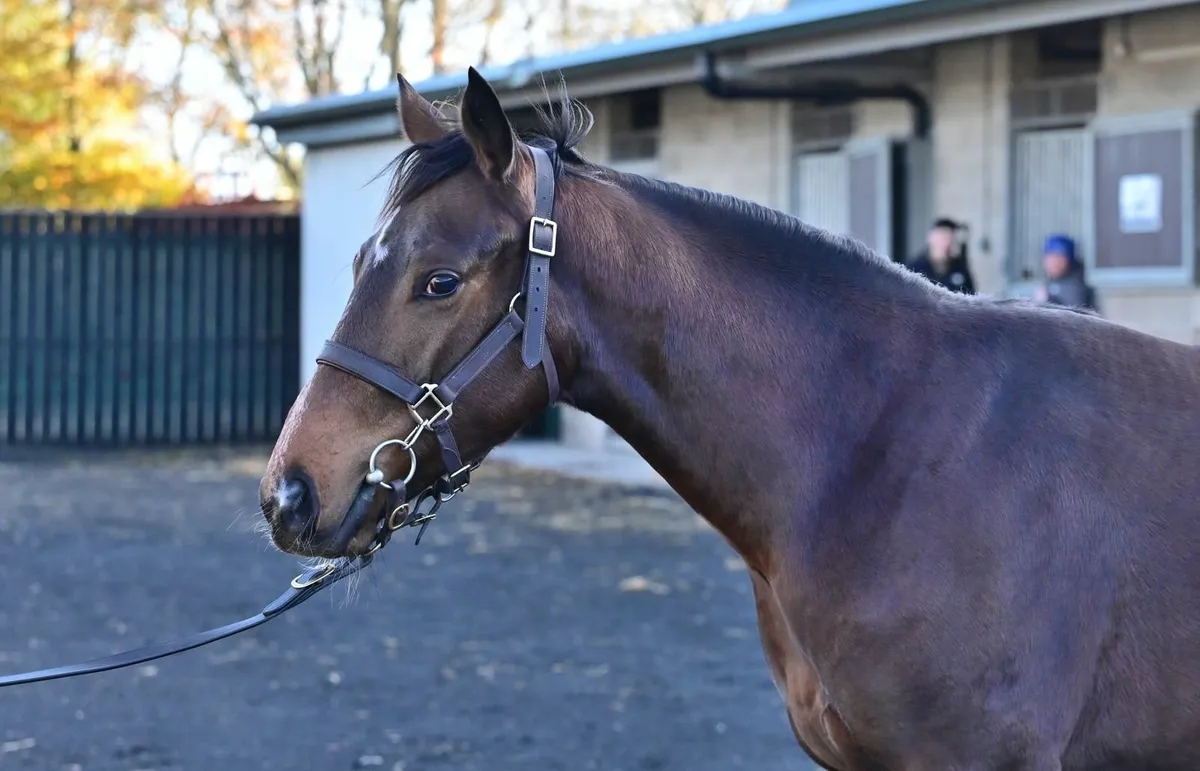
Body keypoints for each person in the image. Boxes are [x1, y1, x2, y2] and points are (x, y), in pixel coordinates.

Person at [905, 218, 976, 295]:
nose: (947, 243)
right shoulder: (913, 269)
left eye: (951, 239)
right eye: (943, 238)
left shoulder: (959, 268)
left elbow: (971, 297)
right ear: (931, 238)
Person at [1033, 234, 1097, 312]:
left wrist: (1048, 300)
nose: (1053, 263)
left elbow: (1074, 316)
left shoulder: (1075, 286)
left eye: (1058, 258)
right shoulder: (1050, 283)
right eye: (1049, 258)